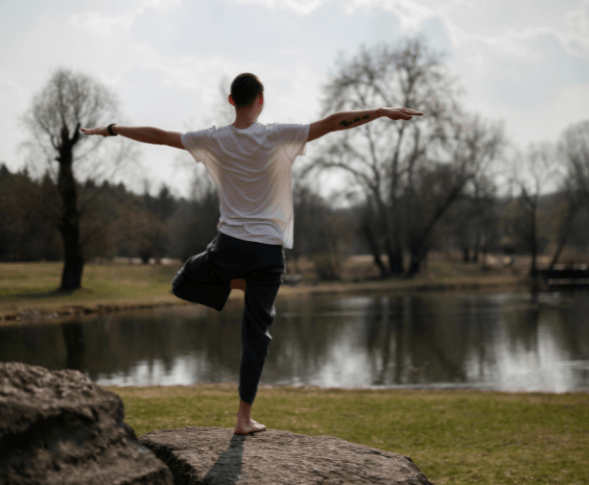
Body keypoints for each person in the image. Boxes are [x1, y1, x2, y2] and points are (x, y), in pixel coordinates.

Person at [82, 73, 422, 434]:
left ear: (231, 101)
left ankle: (234, 282)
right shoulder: (277, 135)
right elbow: (334, 122)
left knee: (182, 282)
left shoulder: (214, 139)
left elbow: (159, 137)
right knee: (256, 334)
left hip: (229, 247)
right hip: (268, 255)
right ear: (261, 99)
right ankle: (243, 418)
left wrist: (113, 129)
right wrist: (382, 111)